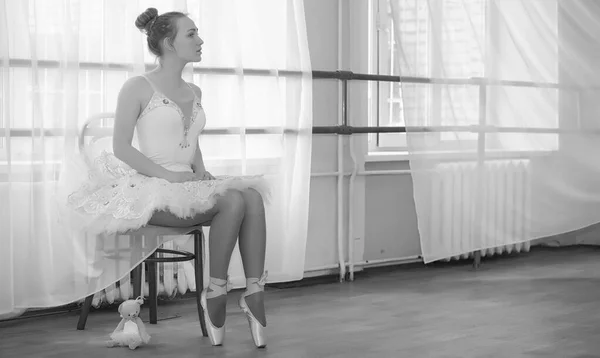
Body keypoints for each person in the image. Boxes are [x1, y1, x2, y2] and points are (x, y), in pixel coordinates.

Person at [64, 8, 270, 348]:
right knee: (233, 199)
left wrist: (200, 170)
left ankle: (253, 292)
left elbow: (191, 140)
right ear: (167, 43)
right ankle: (216, 292)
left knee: (252, 195)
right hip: (153, 186)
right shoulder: (137, 87)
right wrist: (168, 177)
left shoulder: (195, 90)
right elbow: (120, 147)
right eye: (191, 34)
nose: (200, 40)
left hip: (188, 183)